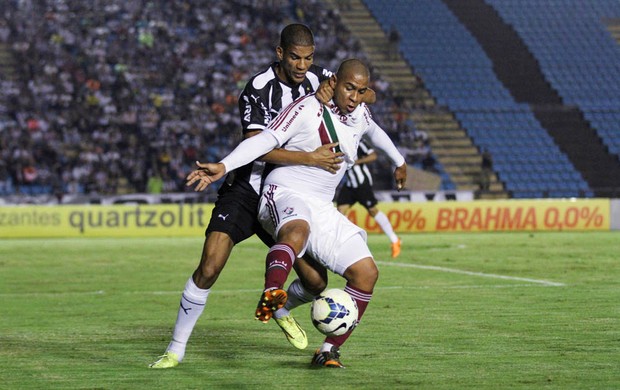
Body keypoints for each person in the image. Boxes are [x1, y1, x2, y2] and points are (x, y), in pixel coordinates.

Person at [149, 24, 347, 369]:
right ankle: (175, 349)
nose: (303, 66)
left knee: (316, 281)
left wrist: (355, 94)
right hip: (247, 189)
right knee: (210, 265)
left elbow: (361, 91)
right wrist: (310, 157)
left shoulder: (322, 78)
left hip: (288, 193)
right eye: (296, 58)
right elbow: (259, 147)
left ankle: (278, 305)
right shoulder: (258, 89)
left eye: (309, 58)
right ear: (280, 53)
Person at [186, 59, 407, 368]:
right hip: (284, 191)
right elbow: (264, 141)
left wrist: (398, 160)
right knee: (297, 231)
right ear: (333, 83)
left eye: (360, 91)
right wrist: (224, 166)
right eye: (348, 89)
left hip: (322, 204)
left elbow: (374, 130)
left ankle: (328, 351)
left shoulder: (358, 112)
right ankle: (272, 291)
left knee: (367, 273)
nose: (354, 97)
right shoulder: (307, 108)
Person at [336, 139, 402, 258]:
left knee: (372, 210)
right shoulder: (339, 142)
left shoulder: (358, 142)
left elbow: (373, 156)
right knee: (340, 211)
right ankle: (348, 241)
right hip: (350, 184)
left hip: (362, 183)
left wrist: (357, 162)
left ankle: (395, 240)